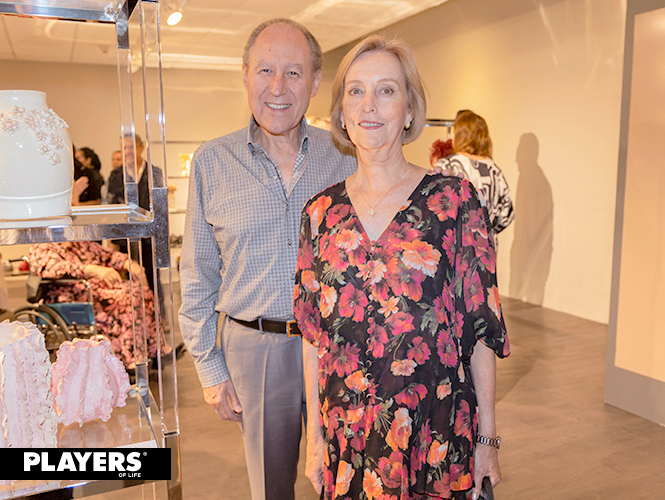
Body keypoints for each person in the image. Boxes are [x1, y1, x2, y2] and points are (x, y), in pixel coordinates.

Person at [294, 35, 510, 500]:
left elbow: (480, 330)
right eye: (356, 91)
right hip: (349, 441)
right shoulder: (320, 214)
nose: (369, 105)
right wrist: (314, 440)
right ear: (342, 112)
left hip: (437, 435)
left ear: (410, 109)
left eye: (386, 90)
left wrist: (488, 439)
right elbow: (313, 339)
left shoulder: (455, 202)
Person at [177, 18, 356, 500]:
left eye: (293, 73)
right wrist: (211, 370)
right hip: (252, 351)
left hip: (336, 348)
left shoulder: (345, 157)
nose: (277, 88)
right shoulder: (212, 162)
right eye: (265, 70)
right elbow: (196, 277)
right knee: (271, 489)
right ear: (245, 75)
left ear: (315, 83)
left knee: (345, 479)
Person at [28, 241, 163, 368]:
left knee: (143, 292)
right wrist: (92, 269)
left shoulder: (79, 243)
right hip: (71, 295)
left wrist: (129, 263)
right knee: (125, 299)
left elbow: (108, 255)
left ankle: (154, 349)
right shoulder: (41, 247)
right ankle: (128, 358)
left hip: (99, 290)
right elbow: (53, 267)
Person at [434, 111, 514, 238]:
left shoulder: (447, 165)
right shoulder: (494, 170)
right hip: (486, 246)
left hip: (457, 243)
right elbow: (506, 215)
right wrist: (487, 231)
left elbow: (436, 210)